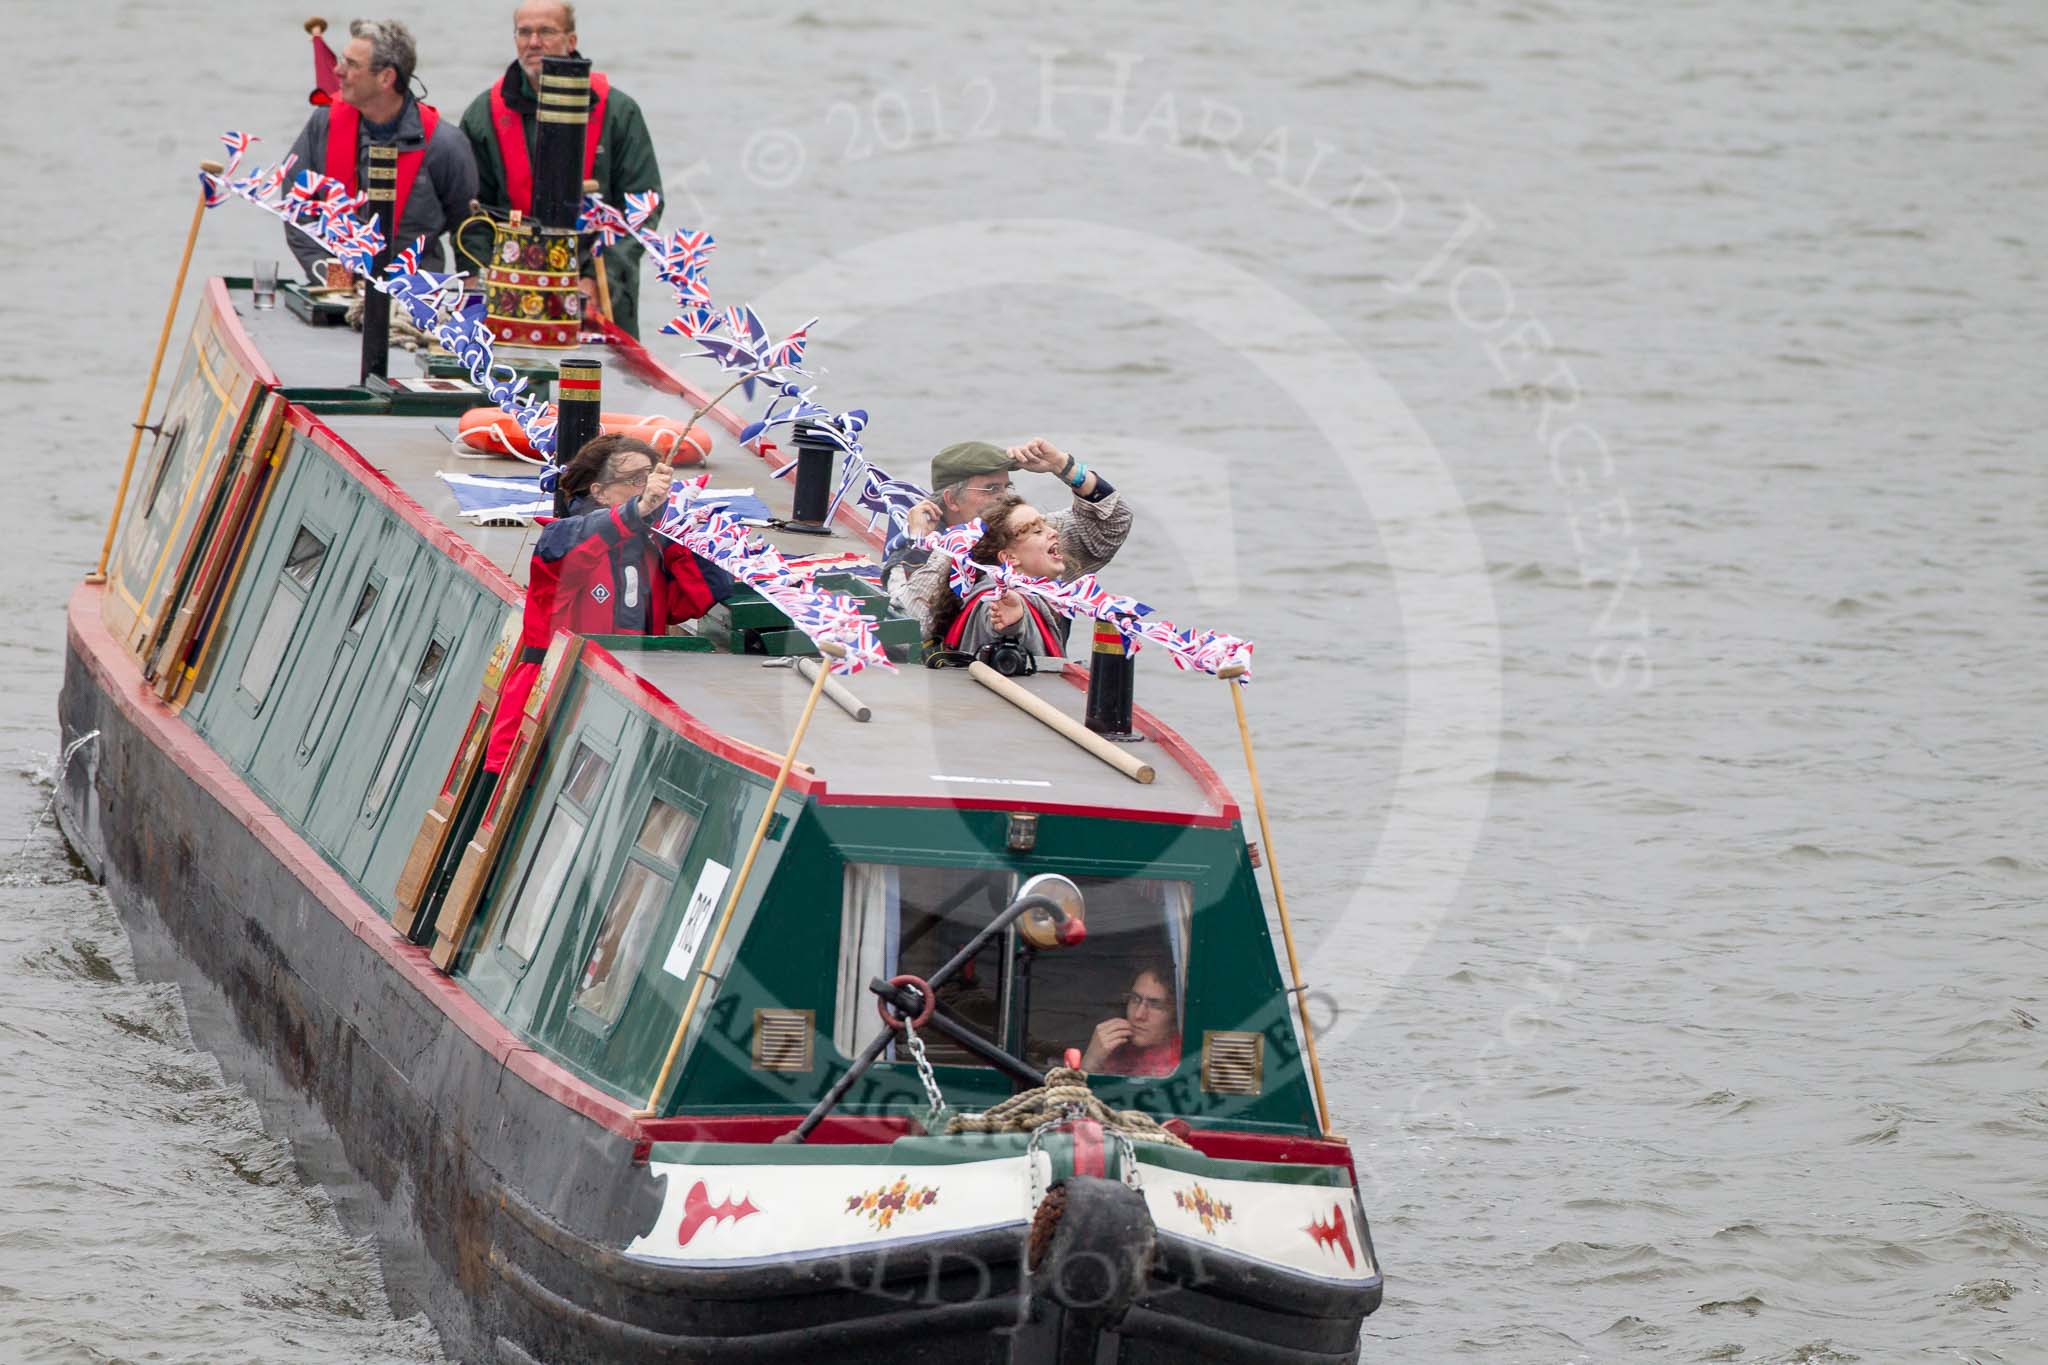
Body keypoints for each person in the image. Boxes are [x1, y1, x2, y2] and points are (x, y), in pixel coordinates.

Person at [483, 436, 733, 773]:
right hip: (550, 703)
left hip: (630, 705)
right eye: (635, 480)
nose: (647, 489)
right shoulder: (559, 539)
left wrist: (684, 530)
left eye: (651, 478)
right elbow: (579, 545)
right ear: (599, 492)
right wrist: (639, 510)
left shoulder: (650, 549)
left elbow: (697, 596)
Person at [460, 1, 664, 338]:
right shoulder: (483, 116)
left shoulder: (619, 112)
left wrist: (601, 279)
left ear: (571, 41)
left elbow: (644, 206)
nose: (534, 42)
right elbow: (471, 213)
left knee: (597, 387)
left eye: (546, 32)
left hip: (600, 290)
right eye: (524, 32)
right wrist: (486, 282)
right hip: (511, 288)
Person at [283, 19, 478, 283]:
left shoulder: (445, 144)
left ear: (386, 77)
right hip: (335, 292)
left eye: (351, 65)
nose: (337, 71)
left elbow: (468, 227)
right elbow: (297, 204)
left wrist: (470, 292)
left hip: (412, 302)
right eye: (342, 60)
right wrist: (330, 277)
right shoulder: (323, 125)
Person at [891, 438, 1134, 650]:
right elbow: (908, 628)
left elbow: (1113, 522)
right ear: (952, 500)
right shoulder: (935, 551)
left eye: (1007, 487)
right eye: (991, 488)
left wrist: (1063, 466)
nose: (1003, 497)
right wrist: (919, 543)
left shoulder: (1033, 533)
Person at [931, 493, 1071, 658]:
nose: (1053, 532)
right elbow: (996, 621)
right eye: (1038, 531)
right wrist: (1012, 621)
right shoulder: (997, 596)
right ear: (1010, 558)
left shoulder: (1042, 594)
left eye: (1046, 526)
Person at [1079, 965, 1181, 1077]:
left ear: (1175, 1013)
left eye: (1155, 1005)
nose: (1138, 1015)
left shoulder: (1181, 1062)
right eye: (1135, 999)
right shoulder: (1116, 1048)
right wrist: (1091, 1060)